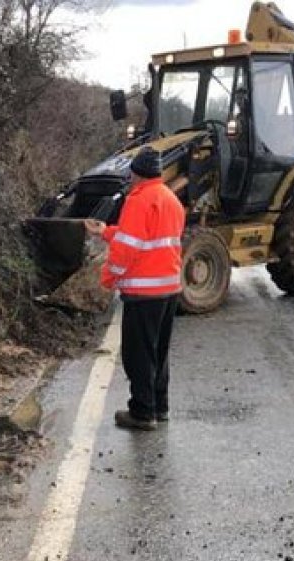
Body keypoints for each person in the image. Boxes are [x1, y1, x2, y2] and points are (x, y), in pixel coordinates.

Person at [84, 148, 185, 431]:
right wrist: (104, 231)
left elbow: (128, 248)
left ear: (136, 173)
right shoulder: (169, 199)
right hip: (169, 289)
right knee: (158, 352)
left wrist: (108, 277)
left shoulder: (139, 201)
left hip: (144, 293)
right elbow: (144, 235)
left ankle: (142, 413)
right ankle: (159, 406)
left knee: (138, 354)